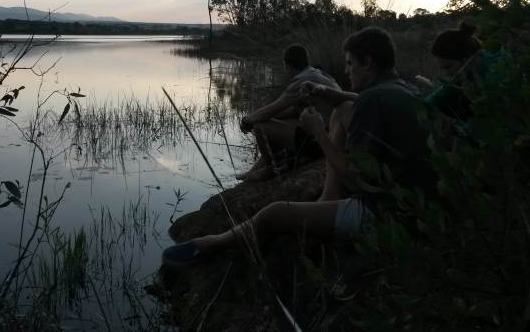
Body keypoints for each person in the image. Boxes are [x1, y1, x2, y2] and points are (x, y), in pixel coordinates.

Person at [162, 27, 436, 267]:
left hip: (383, 214)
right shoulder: (404, 89)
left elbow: (355, 178)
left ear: (369, 63)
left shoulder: (372, 102)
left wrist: (318, 133)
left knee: (274, 213)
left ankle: (212, 243)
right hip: (416, 204)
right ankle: (327, 199)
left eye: (350, 64)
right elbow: (355, 100)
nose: (346, 70)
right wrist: (329, 93)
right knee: (342, 110)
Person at [237, 44, 340, 183]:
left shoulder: (302, 80)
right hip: (334, 135)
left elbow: (275, 107)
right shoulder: (315, 73)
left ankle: (271, 168)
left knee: (260, 126)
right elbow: (290, 111)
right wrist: (270, 118)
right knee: (275, 125)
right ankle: (254, 171)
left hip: (322, 141)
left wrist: (247, 120)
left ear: (287, 65)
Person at [424, 22, 502, 121]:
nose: (446, 73)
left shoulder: (495, 72)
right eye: (442, 68)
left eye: (448, 67)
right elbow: (444, 92)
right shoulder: (468, 72)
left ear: (468, 59)